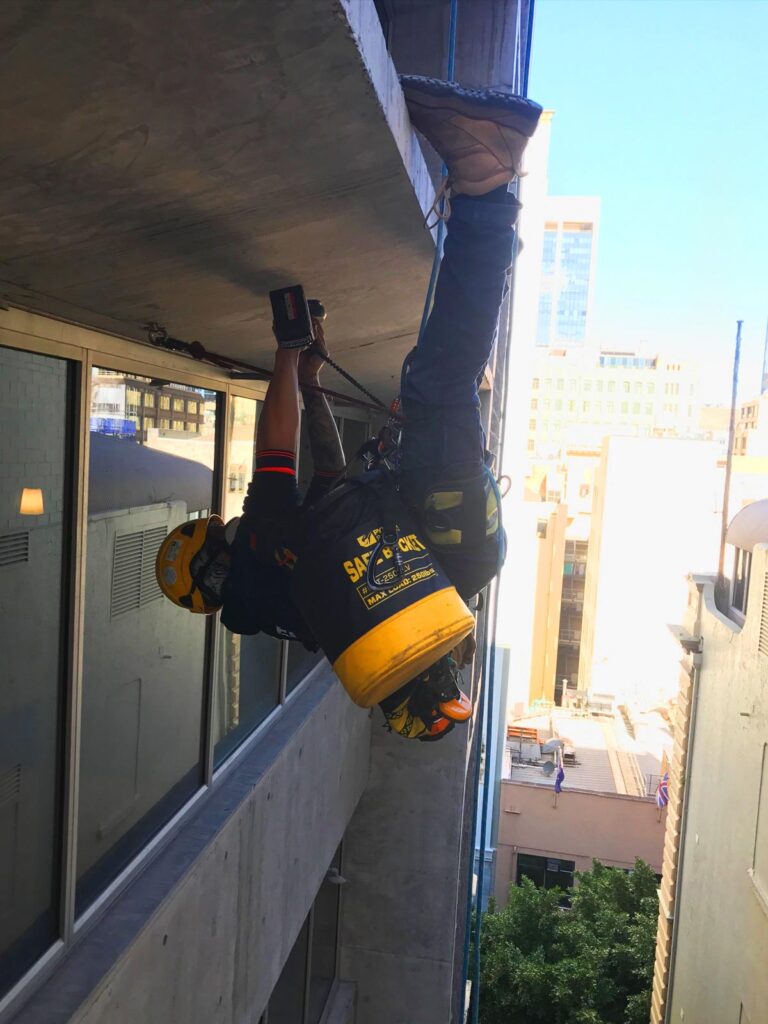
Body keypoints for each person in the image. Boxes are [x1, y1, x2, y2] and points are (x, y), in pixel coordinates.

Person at [156, 76, 542, 741]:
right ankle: (487, 184)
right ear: (209, 554)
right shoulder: (255, 566)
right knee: (437, 384)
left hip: (456, 549)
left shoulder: (302, 588)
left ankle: (489, 208)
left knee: (436, 384)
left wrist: (309, 385)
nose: (227, 529)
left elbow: (331, 477)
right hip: (444, 533)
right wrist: (287, 353)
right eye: (215, 533)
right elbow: (276, 461)